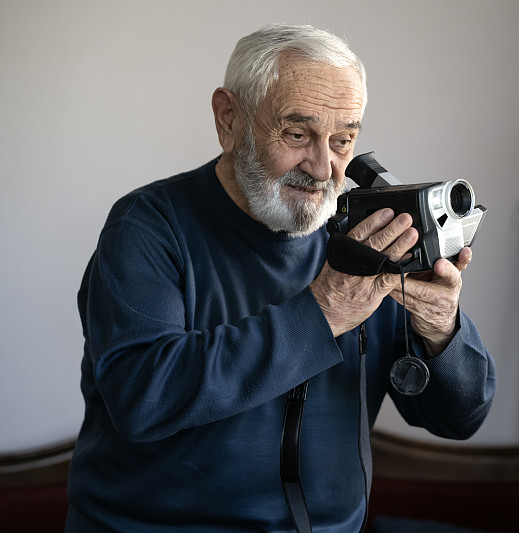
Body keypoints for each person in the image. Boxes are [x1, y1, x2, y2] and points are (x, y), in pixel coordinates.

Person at [66, 24, 496, 532]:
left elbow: (459, 419)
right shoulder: (146, 227)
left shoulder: (369, 241)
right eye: (296, 134)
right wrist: (324, 312)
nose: (323, 169)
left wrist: (441, 328)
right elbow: (144, 399)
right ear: (228, 119)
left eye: (343, 140)